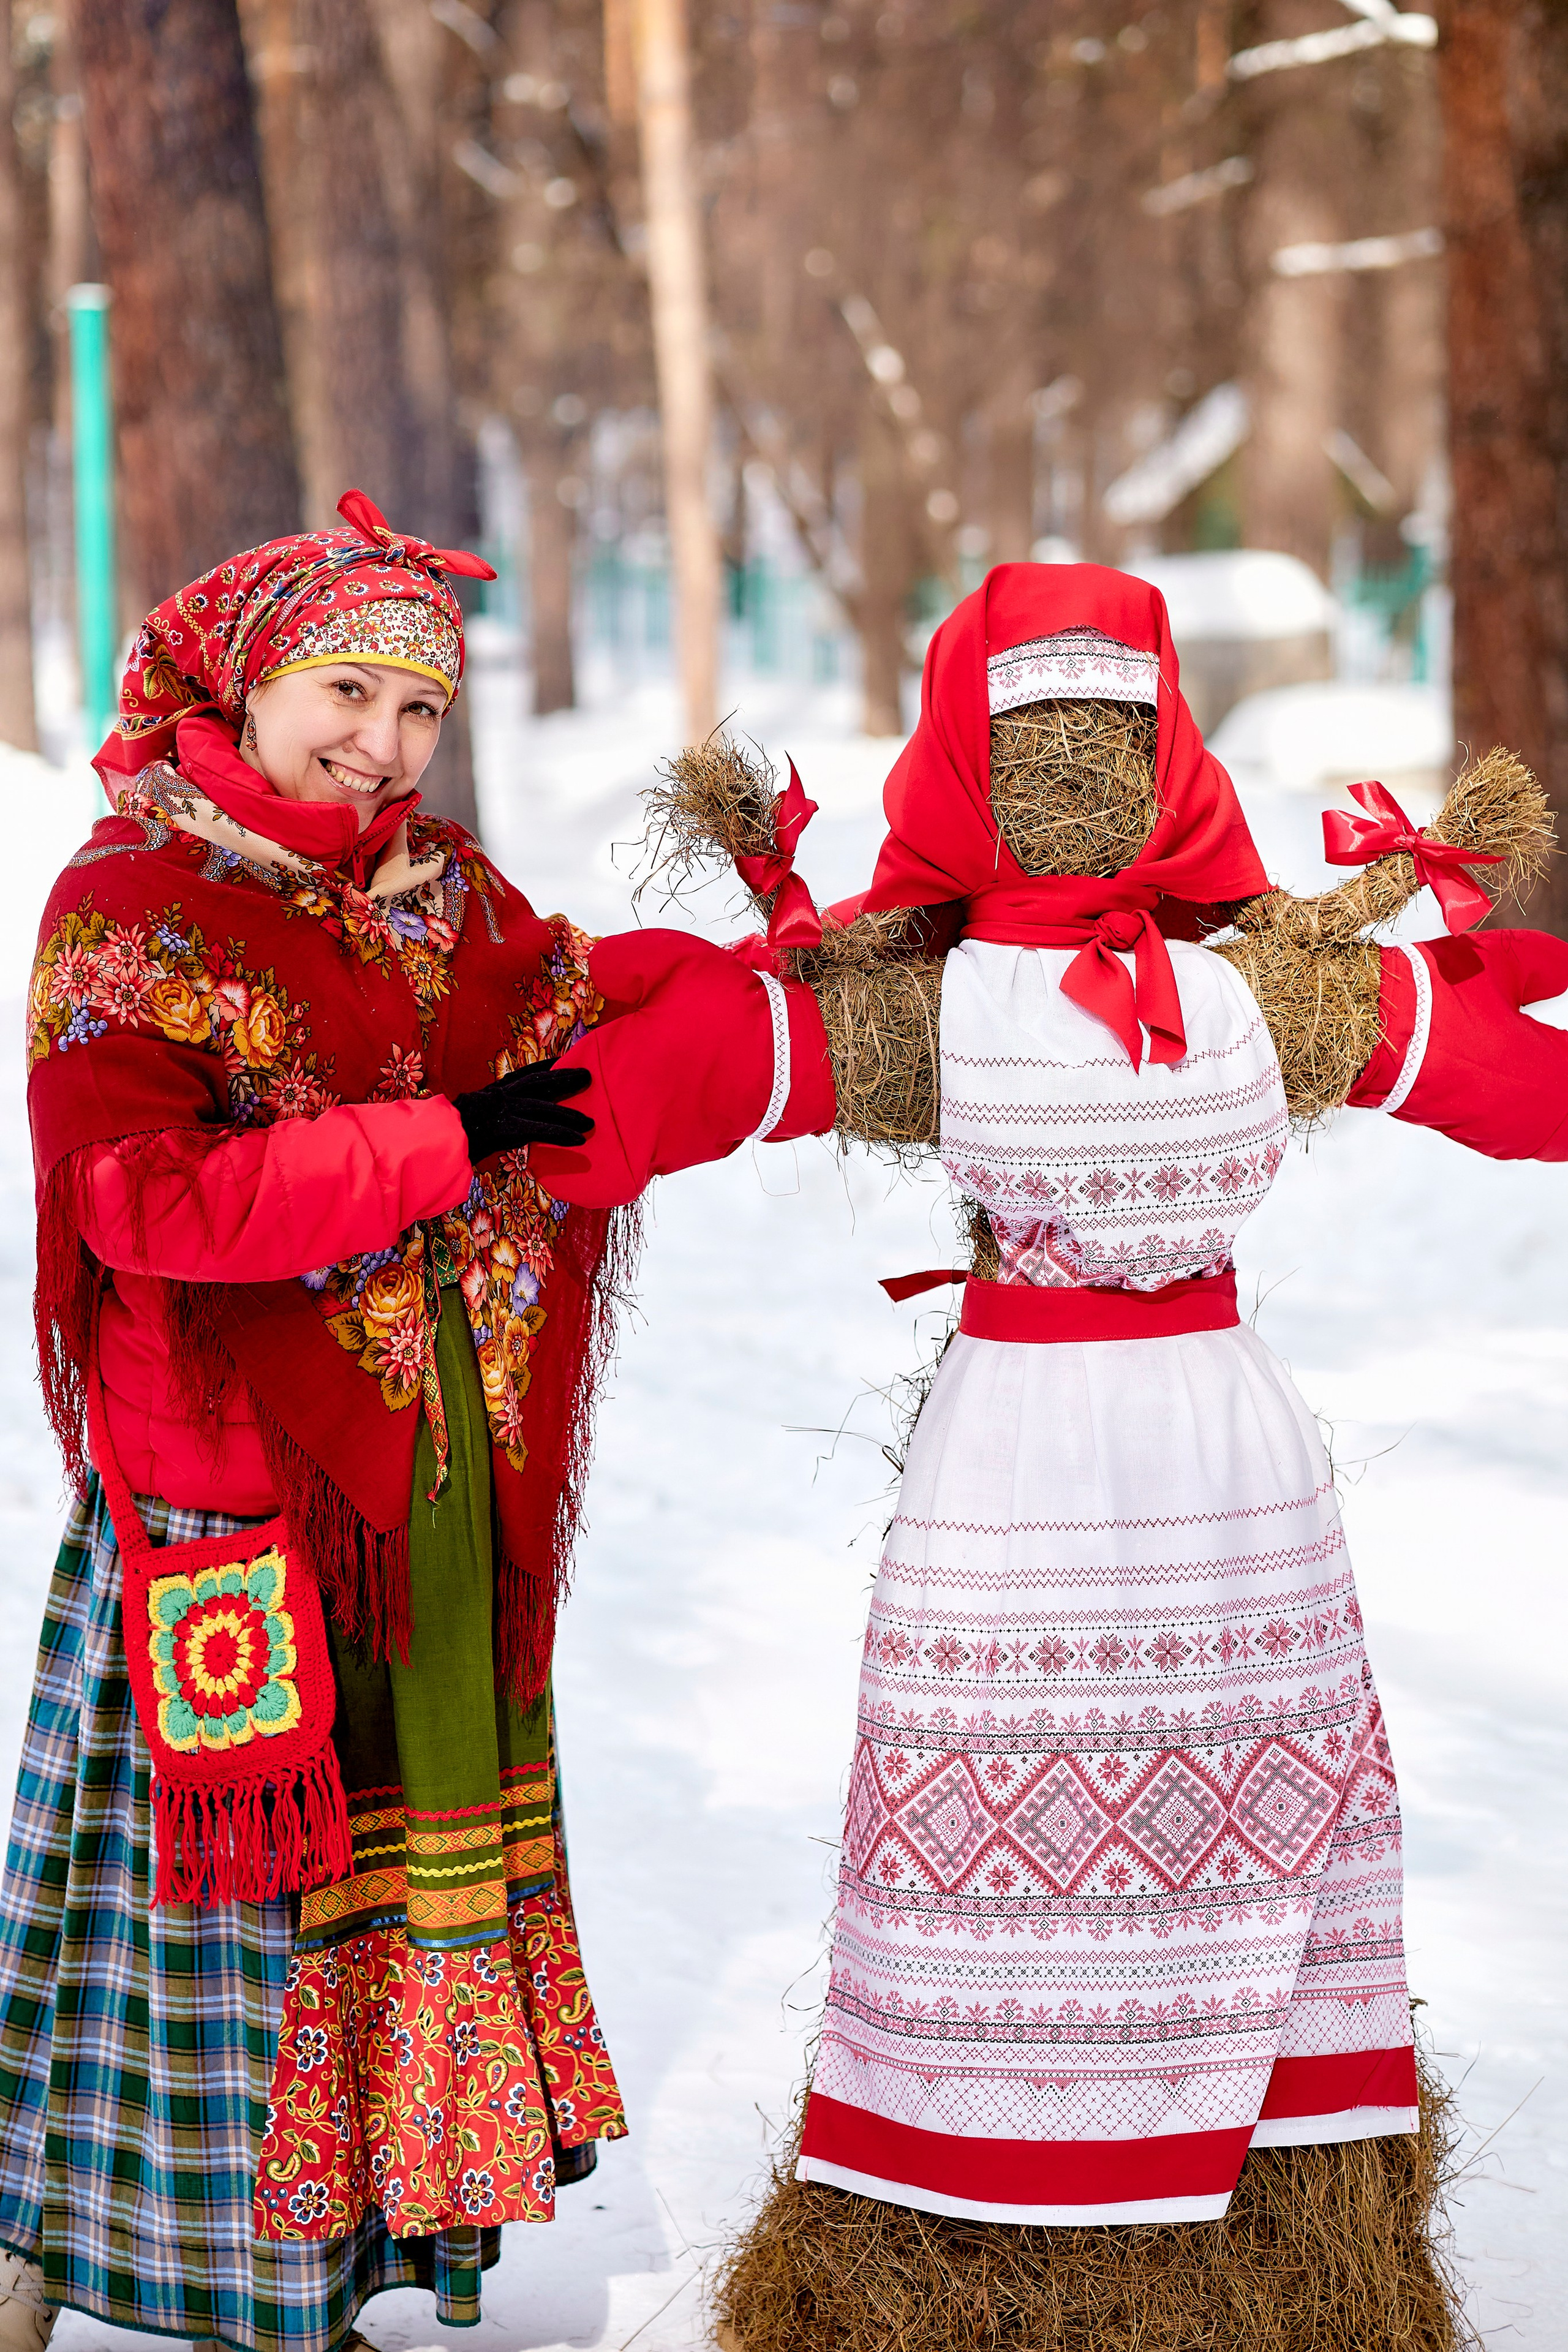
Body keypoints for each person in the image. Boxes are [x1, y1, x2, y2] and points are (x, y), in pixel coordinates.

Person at [531, 563, 1568, 2348]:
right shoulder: (1268, 994)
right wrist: (539, 1103)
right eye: (1061, 751)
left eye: (1098, 748)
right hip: (1207, 1452)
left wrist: (533, 1126)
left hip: (1027, 1452)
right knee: (1181, 1802)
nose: (1076, 784)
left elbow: (698, 1074)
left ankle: (1026, 2208)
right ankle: (1228, 2226)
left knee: (1017, 1823)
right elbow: (1490, 1069)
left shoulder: (942, 1010)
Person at [0, 491, 828, 2352]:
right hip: (220, 1495)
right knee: (209, 1916)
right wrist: (441, 1144)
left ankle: (339, 2256)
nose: (380, 745)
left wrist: (777, 986)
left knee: (390, 1885)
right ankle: (81, 2241)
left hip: (418, 1488)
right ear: (248, 678)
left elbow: (574, 1022)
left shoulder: (446, 897)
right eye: (346, 692)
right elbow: (145, 1200)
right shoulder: (129, 907)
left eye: (419, 712)